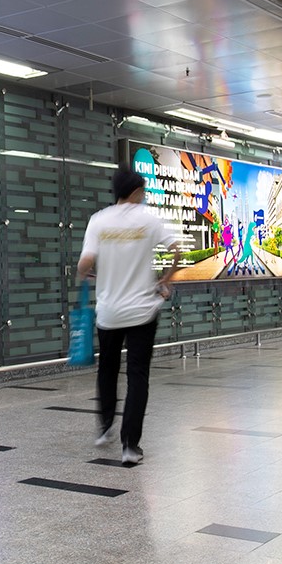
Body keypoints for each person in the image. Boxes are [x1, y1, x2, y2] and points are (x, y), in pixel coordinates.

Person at [76, 166, 179, 467]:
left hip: (109, 312)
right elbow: (176, 250)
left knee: (107, 369)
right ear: (135, 191)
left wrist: (91, 274)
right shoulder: (148, 219)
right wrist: (166, 280)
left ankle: (104, 427)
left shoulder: (99, 220)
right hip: (142, 311)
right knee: (137, 375)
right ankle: (130, 446)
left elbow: (85, 263)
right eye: (143, 191)